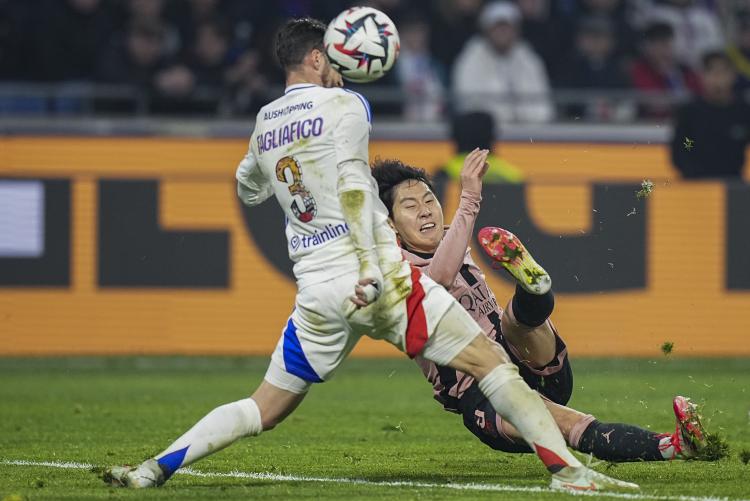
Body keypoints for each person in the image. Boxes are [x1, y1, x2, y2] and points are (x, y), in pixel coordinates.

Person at [102, 17, 637, 492]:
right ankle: (568, 474)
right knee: (492, 362)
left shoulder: (265, 122)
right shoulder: (347, 104)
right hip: (378, 277)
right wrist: (370, 269)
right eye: (334, 60)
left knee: (262, 408)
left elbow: (247, 188)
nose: (340, 70)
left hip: (317, 293)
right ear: (318, 58)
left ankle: (154, 468)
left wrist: (291, 182)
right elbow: (357, 189)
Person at [370, 152, 710, 462]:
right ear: (390, 224)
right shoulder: (393, 272)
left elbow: (447, 256)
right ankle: (673, 445)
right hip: (481, 392)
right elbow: (439, 279)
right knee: (572, 424)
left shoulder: (452, 240)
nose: (425, 209)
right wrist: (470, 198)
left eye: (429, 199)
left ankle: (534, 291)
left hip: (531, 364)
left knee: (513, 323)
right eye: (410, 205)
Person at [452, 1, 554, 124]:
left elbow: (543, 105)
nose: (502, 32)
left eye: (507, 27)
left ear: (517, 30)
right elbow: (468, 105)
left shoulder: (528, 58)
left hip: (527, 131)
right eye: (497, 27)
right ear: (487, 30)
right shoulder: (471, 57)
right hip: (486, 132)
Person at [671, 51, 750, 179]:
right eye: (712, 72)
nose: (717, 78)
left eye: (722, 72)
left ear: (733, 76)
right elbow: (683, 148)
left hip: (733, 183)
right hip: (697, 183)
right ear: (702, 76)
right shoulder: (690, 113)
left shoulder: (743, 112)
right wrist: (692, 174)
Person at [630, 21, 701, 119]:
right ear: (648, 47)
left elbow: (696, 95)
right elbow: (653, 102)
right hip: (651, 123)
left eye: (666, 45)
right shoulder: (639, 70)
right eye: (657, 46)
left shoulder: (685, 70)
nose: (662, 51)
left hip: (684, 120)